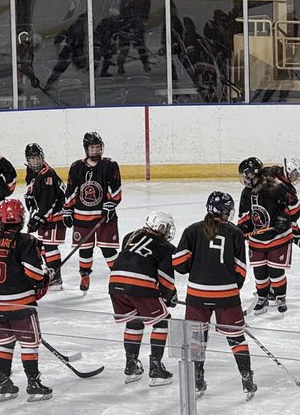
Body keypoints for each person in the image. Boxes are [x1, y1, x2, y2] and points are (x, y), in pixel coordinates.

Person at [172, 191, 256, 398]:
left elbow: (179, 265)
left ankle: (198, 381)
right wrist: (228, 288)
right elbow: (241, 272)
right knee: (236, 338)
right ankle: (247, 380)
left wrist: (199, 267)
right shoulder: (235, 233)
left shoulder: (192, 230)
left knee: (196, 338)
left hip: (197, 295)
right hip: (226, 295)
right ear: (226, 211)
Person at [0, 198, 52, 402]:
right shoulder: (26, 241)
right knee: (28, 346)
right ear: (22, 219)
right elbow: (33, 274)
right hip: (20, 305)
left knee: (3, 345)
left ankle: (5, 385)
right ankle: (34, 385)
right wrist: (46, 278)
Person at [109, 210, 177, 386]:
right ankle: (156, 369)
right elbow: (166, 279)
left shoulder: (130, 236)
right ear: (161, 227)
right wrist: (170, 296)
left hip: (115, 283)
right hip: (139, 286)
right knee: (162, 322)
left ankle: (131, 367)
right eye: (167, 227)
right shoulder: (165, 247)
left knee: (134, 321)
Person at [237, 156, 300, 314]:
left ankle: (280, 296)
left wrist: (286, 220)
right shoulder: (246, 193)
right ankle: (262, 296)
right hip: (256, 241)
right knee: (259, 272)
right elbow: (244, 215)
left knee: (275, 272)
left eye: (248, 176)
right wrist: (243, 228)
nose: (245, 179)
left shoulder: (276, 186)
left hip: (278, 238)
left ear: (256, 174)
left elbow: (295, 208)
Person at [63, 130, 122, 292]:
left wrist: (110, 205)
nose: (95, 150)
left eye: (97, 147)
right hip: (82, 217)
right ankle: (84, 276)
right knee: (85, 248)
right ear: (86, 149)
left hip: (104, 218)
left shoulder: (110, 165)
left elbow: (115, 188)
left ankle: (119, 276)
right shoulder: (76, 167)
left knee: (108, 249)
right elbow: (71, 190)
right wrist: (67, 210)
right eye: (92, 148)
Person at [23, 142, 66, 287]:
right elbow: (31, 186)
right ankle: (49, 271)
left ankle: (56, 276)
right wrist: (29, 196)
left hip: (56, 214)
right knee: (42, 244)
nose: (35, 162)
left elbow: (49, 201)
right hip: (46, 214)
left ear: (42, 157)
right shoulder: (30, 171)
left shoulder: (48, 174)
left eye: (37, 158)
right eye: (31, 159)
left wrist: (38, 217)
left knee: (50, 246)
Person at [43, 14, 88, 92]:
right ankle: (49, 84)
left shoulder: (78, 27)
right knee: (60, 68)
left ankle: (49, 84)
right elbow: (72, 41)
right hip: (71, 51)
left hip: (71, 51)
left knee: (60, 68)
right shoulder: (77, 28)